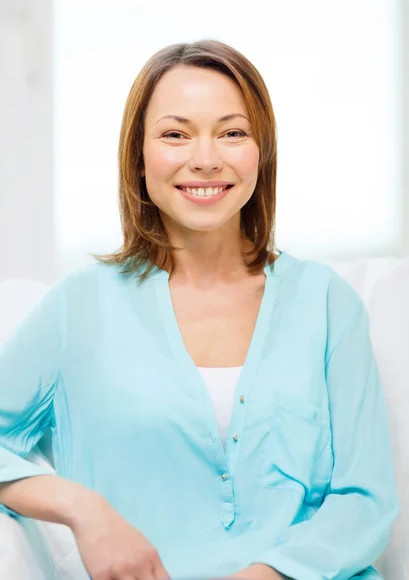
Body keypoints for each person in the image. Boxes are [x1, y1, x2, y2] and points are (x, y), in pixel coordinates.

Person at [0, 39, 398, 580]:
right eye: (175, 134)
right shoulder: (78, 307)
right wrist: (82, 509)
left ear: (262, 152)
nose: (205, 158)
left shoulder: (326, 303)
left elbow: (365, 500)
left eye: (232, 133)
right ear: (139, 158)